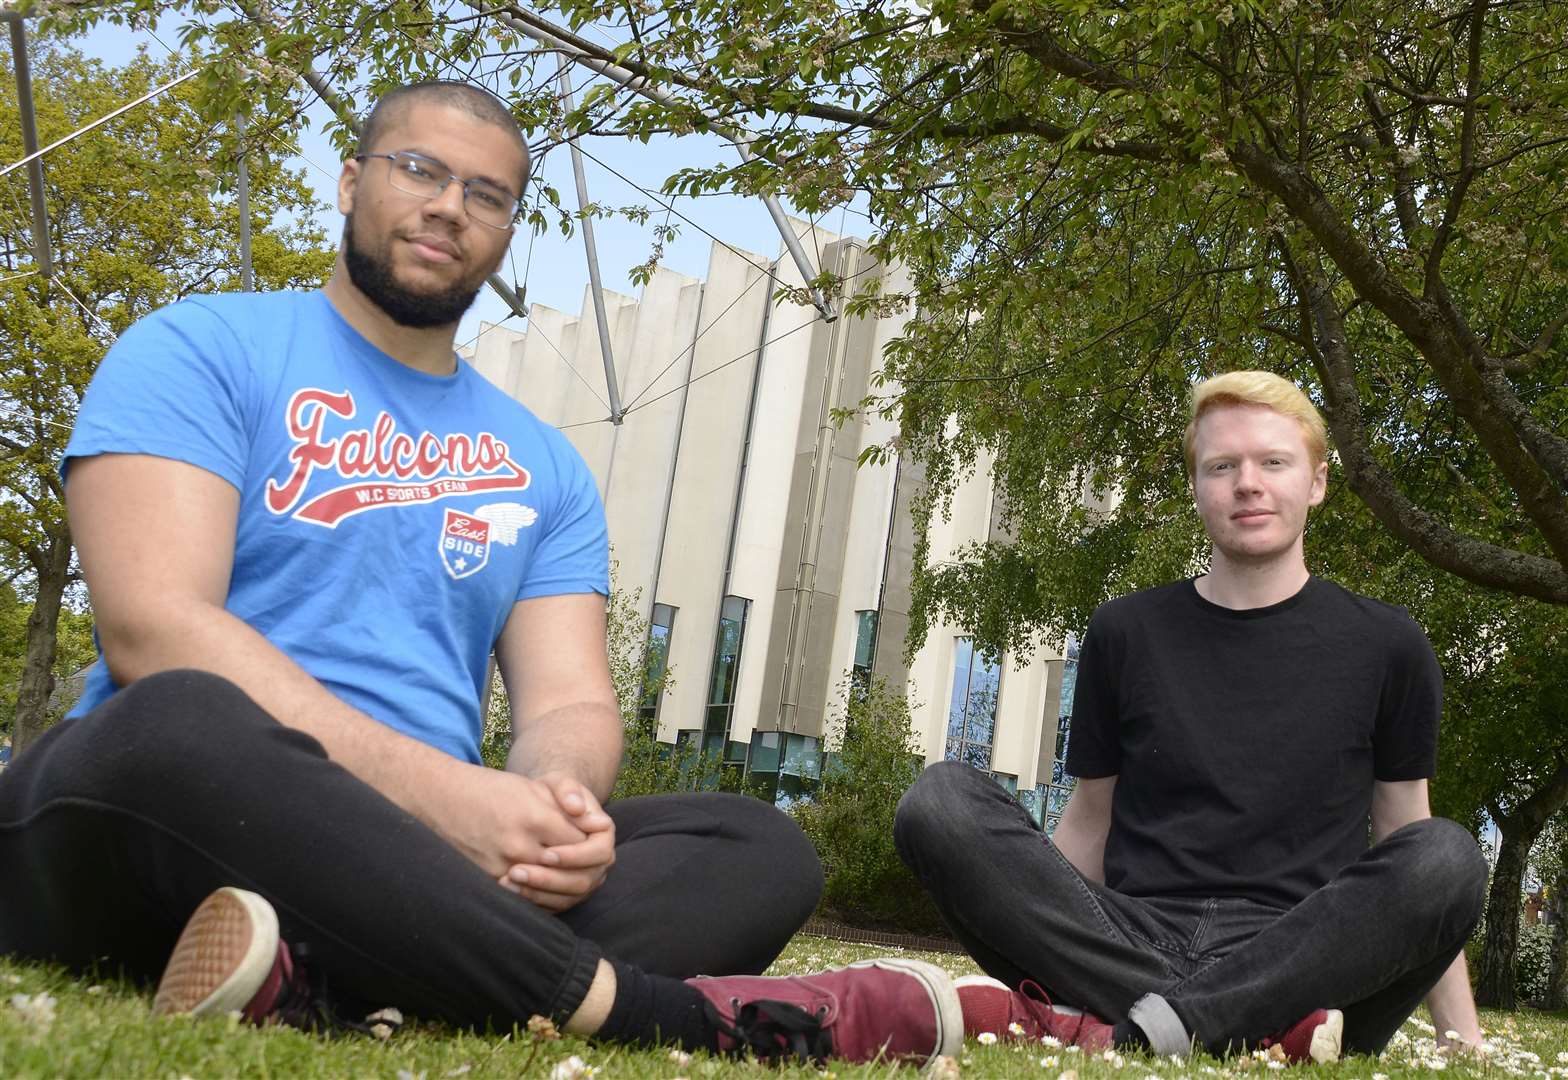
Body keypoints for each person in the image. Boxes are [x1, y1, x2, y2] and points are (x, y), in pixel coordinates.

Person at [0, 79, 961, 1067]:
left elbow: (570, 703)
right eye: (418, 168)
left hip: (435, 862)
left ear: (506, 232)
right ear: (348, 181)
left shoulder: (541, 462)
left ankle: (318, 980)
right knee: (179, 716)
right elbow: (151, 627)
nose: (449, 206)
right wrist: (446, 803)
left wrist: (547, 809)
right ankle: (657, 1018)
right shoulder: (199, 347)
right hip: (165, 813)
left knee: (751, 846)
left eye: (487, 194)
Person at [893, 370, 1488, 1063]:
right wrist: (1035, 909)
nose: (1248, 483)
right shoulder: (1125, 630)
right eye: (1221, 466)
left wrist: (1462, 1033)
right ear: (1196, 487)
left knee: (1449, 854)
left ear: (1317, 482)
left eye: (1273, 461)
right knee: (939, 802)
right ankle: (1243, 1027)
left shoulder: (1389, 645)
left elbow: (1405, 833)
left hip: (1305, 951)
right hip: (1127, 934)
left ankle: (1152, 1024)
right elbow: (1090, 820)